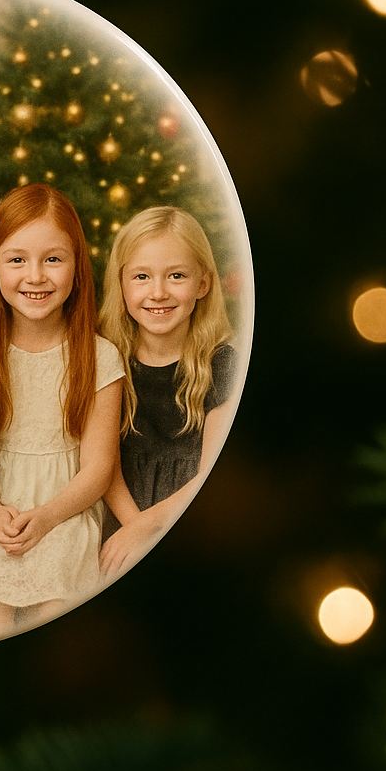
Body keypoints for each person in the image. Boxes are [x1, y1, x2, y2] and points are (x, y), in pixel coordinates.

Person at [0, 184, 124, 642]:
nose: (36, 276)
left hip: (66, 512)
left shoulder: (100, 357)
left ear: (76, 266)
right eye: (16, 260)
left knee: (58, 602)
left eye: (53, 259)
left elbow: (99, 468)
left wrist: (47, 517)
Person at [98, 206, 237, 576]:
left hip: (192, 512)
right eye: (141, 276)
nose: (158, 293)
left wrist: (148, 529)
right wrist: (133, 528)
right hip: (120, 512)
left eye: (176, 276)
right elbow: (102, 464)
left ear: (203, 284)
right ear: (121, 283)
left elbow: (213, 473)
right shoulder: (106, 357)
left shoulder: (223, 365)